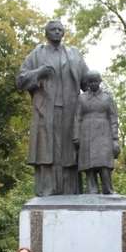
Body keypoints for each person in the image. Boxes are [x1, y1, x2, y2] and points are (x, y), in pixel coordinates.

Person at [17, 19, 89, 196]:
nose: (57, 32)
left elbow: (88, 81)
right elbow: (20, 80)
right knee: (46, 151)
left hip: (70, 111)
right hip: (45, 110)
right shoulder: (37, 54)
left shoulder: (74, 54)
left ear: (63, 33)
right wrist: (39, 72)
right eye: (53, 29)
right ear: (46, 33)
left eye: (60, 29)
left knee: (70, 152)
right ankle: (47, 191)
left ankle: (70, 192)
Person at [72, 70, 120, 194]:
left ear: (100, 81)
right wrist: (76, 136)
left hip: (104, 134)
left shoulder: (107, 98)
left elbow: (113, 118)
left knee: (104, 163)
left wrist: (115, 138)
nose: (93, 84)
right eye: (90, 82)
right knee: (89, 164)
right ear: (87, 83)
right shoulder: (82, 98)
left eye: (95, 81)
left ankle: (108, 189)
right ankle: (91, 190)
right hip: (86, 133)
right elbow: (77, 118)